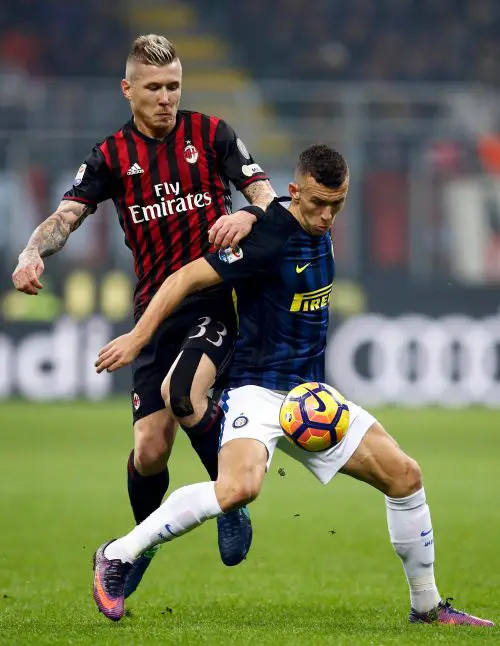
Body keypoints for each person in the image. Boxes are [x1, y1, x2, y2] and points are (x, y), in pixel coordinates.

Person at [91, 143, 495, 627]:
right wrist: (138, 337)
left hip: (311, 400)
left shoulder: (313, 220)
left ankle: (427, 607)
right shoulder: (267, 238)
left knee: (405, 476)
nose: (326, 216)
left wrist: (256, 212)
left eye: (336, 205)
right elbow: (183, 278)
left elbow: (284, 210)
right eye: (317, 204)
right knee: (238, 489)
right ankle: (117, 554)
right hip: (258, 392)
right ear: (294, 191)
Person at [12, 34, 277, 595]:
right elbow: (66, 216)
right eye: (153, 87)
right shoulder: (110, 156)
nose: (166, 98)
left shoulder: (212, 134)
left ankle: (229, 500)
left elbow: (263, 192)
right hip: (154, 310)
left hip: (213, 298)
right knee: (150, 450)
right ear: (127, 90)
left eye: (174, 86)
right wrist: (32, 251)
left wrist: (251, 216)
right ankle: (141, 543)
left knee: (184, 394)